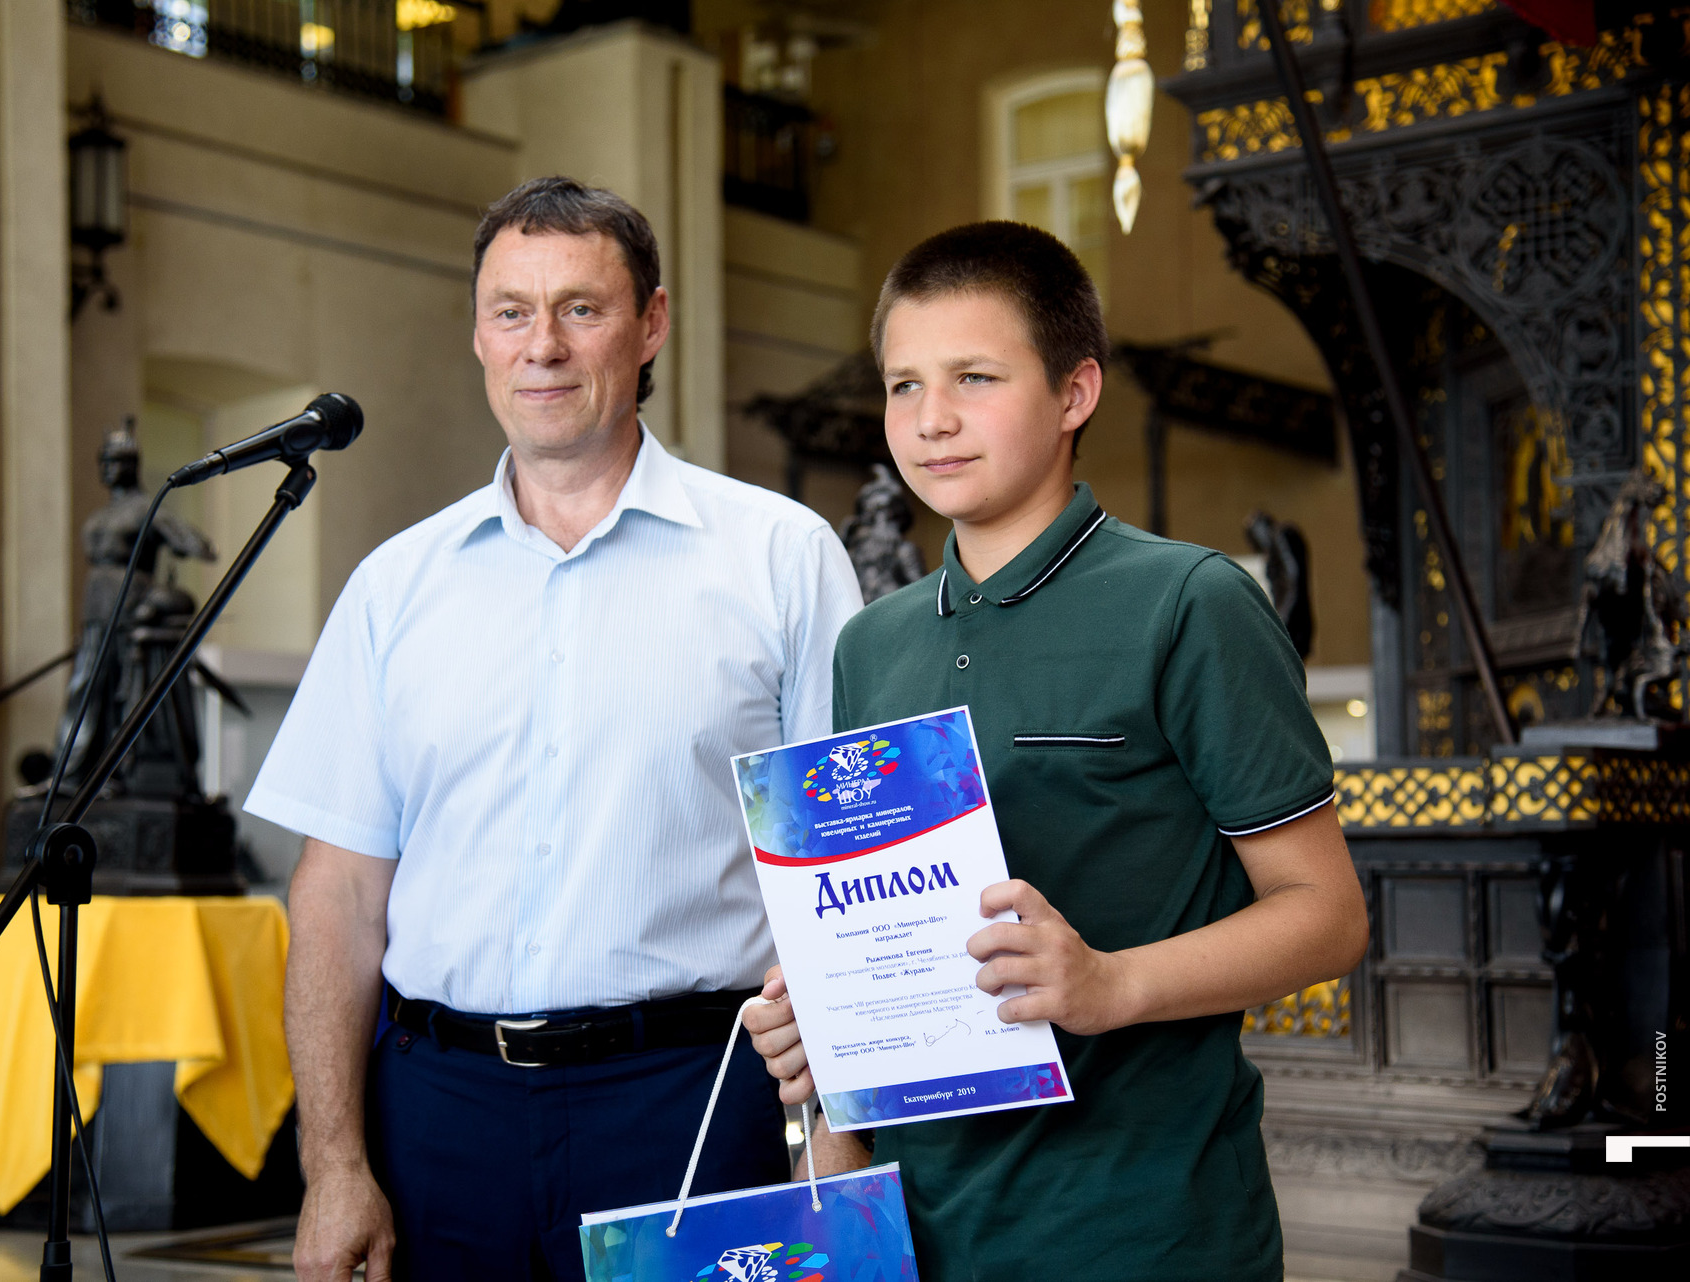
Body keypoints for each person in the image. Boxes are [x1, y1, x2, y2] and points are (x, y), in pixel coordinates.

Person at [244, 176, 861, 1282]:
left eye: (582, 308)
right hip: (437, 1116)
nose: (544, 346)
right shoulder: (395, 586)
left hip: (691, 1102)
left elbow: (842, 870)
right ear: (479, 334)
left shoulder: (781, 557)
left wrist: (837, 1137)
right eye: (512, 311)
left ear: (651, 323)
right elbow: (337, 892)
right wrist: (332, 1163)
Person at [742, 221, 1369, 1281]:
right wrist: (825, 1049)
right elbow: (862, 942)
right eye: (903, 385)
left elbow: (1328, 914)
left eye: (975, 378)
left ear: (1075, 392)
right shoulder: (871, 644)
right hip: (918, 1235)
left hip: (1142, 1232)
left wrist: (1110, 984)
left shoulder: (1191, 602)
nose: (931, 420)